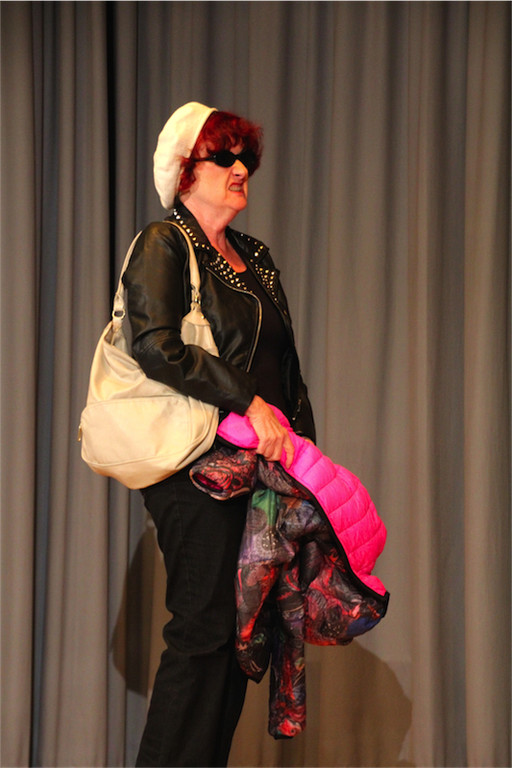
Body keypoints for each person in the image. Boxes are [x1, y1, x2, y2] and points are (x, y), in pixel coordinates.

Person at [123, 102, 316, 767]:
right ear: (185, 170)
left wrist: (306, 462)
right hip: (196, 467)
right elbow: (154, 344)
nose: (240, 170)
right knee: (203, 629)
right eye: (224, 157)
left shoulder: (255, 256)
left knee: (242, 638)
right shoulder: (164, 243)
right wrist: (248, 401)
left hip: (262, 470)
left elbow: (284, 369)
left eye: (246, 159)